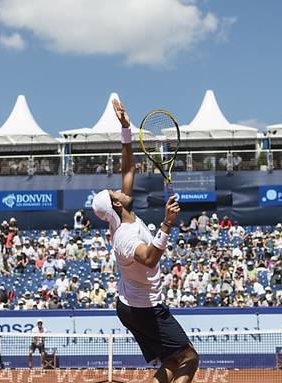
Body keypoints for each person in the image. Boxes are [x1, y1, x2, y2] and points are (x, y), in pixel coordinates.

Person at [92, 99, 198, 383]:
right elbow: (150, 258)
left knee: (172, 362)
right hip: (144, 308)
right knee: (189, 358)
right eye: (115, 192)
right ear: (116, 204)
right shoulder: (124, 236)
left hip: (131, 304)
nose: (120, 188)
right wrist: (166, 224)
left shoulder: (121, 216)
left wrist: (126, 129)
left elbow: (128, 170)